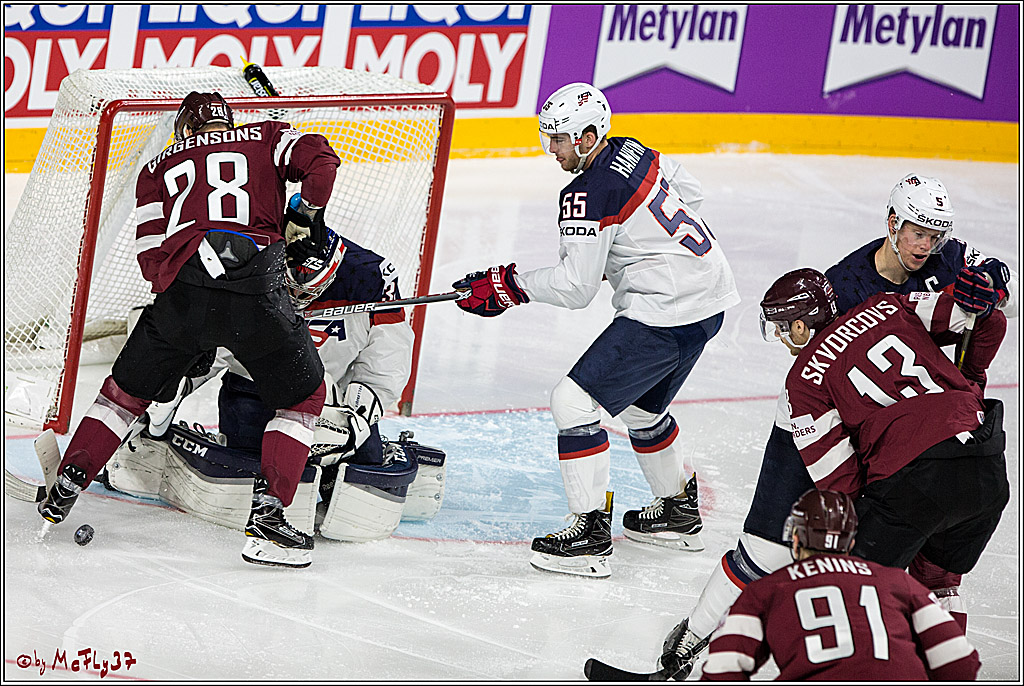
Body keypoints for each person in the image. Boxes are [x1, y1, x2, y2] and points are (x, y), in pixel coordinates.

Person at [657, 173, 1018, 677]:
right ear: (892, 224)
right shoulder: (866, 292)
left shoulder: (943, 261)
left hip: (905, 453)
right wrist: (969, 385)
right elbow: (990, 320)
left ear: (799, 325)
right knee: (931, 581)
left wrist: (874, 501)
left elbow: (840, 478)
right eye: (917, 233)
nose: (925, 245)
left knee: (846, 581)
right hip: (975, 448)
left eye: (933, 236)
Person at [37, 92, 341, 569]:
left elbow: (151, 262)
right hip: (257, 290)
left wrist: (193, 320)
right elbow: (322, 163)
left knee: (123, 396)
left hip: (184, 293)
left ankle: (68, 482)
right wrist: (304, 214)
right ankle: (268, 521)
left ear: (183, 127)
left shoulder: (156, 167)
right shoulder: (267, 137)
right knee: (303, 398)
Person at [452, 82, 740, 578]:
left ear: (587, 137)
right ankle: (676, 510)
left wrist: (508, 285)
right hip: (709, 298)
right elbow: (692, 195)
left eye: (559, 140)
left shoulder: (585, 193)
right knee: (641, 408)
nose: (552, 150)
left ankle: (588, 535)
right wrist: (637, 251)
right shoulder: (634, 150)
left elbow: (575, 287)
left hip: (664, 311)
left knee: (572, 403)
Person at [701, 488, 980, 680]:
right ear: (851, 541)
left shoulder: (768, 590)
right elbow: (959, 662)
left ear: (795, 539)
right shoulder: (898, 582)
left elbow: (722, 671)